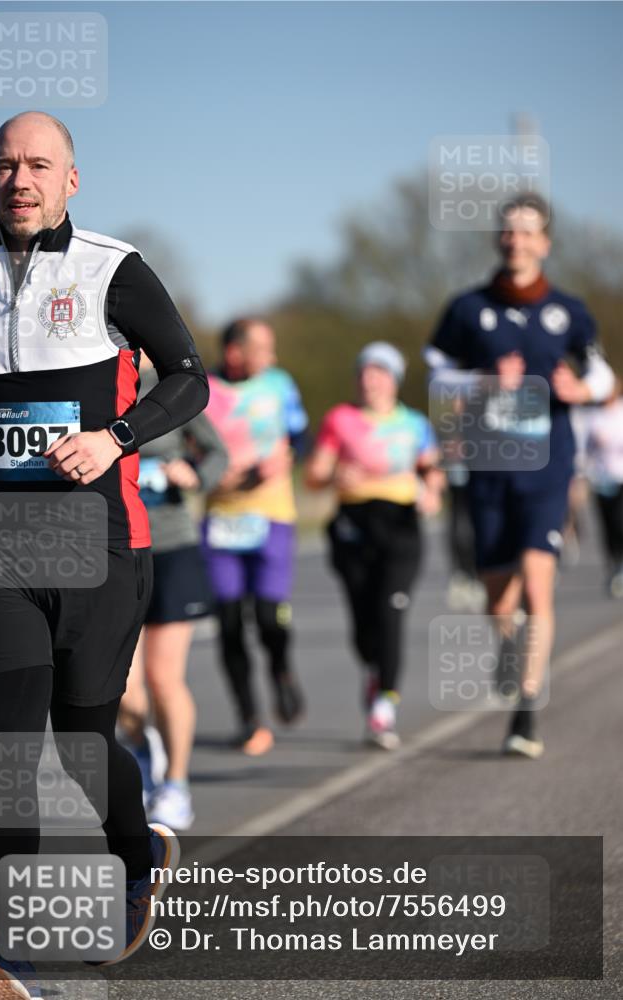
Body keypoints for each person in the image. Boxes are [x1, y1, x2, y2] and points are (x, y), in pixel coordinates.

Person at [0, 112, 208, 997]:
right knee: (9, 756)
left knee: (82, 745)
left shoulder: (114, 268)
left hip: (98, 539)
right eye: (2, 165)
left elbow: (189, 377)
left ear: (71, 179)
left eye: (37, 165)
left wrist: (117, 437)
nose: (17, 180)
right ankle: (4, 959)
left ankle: (137, 856)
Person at [425, 193, 615, 759]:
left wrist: (583, 391)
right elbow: (437, 372)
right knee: (497, 598)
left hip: (547, 466)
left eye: (528, 232)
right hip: (487, 466)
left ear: (545, 242)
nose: (517, 240)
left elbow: (602, 374)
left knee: (538, 584)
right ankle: (509, 645)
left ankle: (526, 709)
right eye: (509, 231)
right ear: (498, 239)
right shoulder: (467, 308)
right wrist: (483, 379)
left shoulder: (568, 311)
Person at [305, 342, 443, 749]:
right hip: (353, 525)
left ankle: (385, 705)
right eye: (364, 372)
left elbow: (431, 468)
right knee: (364, 625)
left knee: (391, 612)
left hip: (400, 525)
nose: (370, 380)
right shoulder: (340, 419)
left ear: (393, 380)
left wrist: (432, 492)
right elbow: (314, 474)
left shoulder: (414, 423)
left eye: (379, 373)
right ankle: (373, 669)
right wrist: (333, 478)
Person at [117, 351, 228, 829]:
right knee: (122, 686)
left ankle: (177, 784)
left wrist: (196, 475)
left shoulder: (173, 391)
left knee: (164, 678)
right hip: (114, 548)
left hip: (172, 546)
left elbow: (217, 453)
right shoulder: (93, 390)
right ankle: (142, 754)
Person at [202, 317, 309, 755]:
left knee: (268, 617)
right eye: (263, 348)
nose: (272, 357)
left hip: (272, 514)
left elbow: (300, 437)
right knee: (229, 624)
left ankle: (281, 667)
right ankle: (249, 717)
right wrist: (208, 472)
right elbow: (187, 444)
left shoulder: (280, 384)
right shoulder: (202, 388)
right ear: (234, 353)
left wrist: (284, 460)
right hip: (221, 518)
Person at [583, 377, 623, 597]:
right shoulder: (594, 416)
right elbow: (585, 447)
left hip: (621, 477)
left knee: (620, 522)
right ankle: (614, 565)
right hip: (601, 479)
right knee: (607, 526)